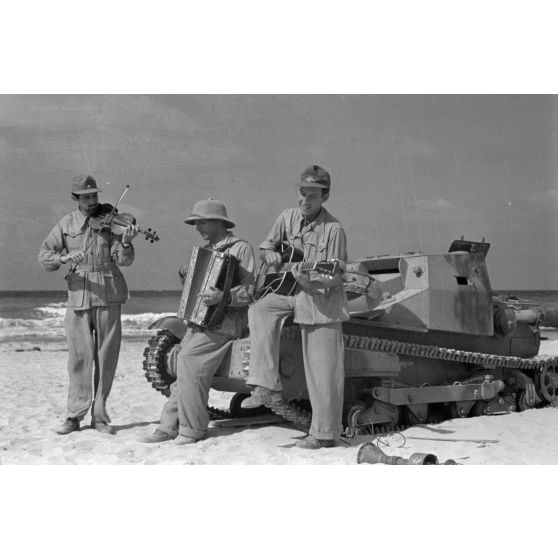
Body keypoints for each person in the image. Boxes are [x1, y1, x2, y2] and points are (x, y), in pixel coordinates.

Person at [241, 164, 349, 449]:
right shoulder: (287, 217)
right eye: (302, 193)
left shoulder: (335, 229)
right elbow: (266, 247)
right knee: (259, 309)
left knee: (323, 373)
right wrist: (271, 255)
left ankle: (324, 435)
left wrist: (309, 281)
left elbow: (335, 274)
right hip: (289, 292)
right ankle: (266, 385)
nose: (305, 200)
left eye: (312, 195)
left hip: (319, 300)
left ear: (325, 197)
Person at [141, 199, 255, 445]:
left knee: (188, 360)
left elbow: (249, 291)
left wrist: (224, 297)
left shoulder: (240, 249)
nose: (197, 227)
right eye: (196, 223)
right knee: (183, 364)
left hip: (226, 322)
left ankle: (192, 428)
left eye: (202, 222)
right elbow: (198, 291)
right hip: (201, 321)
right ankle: (169, 426)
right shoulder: (206, 251)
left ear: (219, 222)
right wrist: (188, 276)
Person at [38, 174, 138, 435]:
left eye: (95, 195)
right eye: (86, 197)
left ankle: (100, 416)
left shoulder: (112, 221)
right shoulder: (65, 224)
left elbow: (124, 260)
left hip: (109, 292)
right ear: (76, 199)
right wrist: (64, 257)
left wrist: (126, 242)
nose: (93, 201)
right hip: (79, 295)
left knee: (107, 358)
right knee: (79, 359)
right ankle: (74, 416)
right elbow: (44, 257)